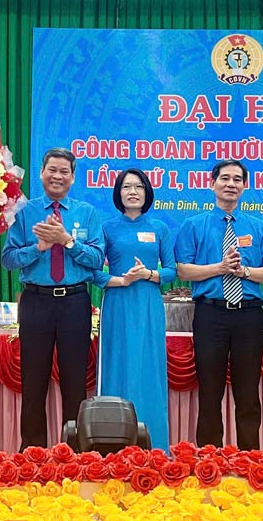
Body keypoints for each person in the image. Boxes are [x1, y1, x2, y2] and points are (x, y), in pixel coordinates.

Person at [1, 148, 104, 449]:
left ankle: (74, 449)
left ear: (73, 178)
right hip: (36, 302)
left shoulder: (87, 213)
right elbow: (8, 259)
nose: (58, 176)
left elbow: (97, 259)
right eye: (52, 170)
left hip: (74, 302)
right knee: (34, 381)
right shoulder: (24, 212)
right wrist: (39, 248)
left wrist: (67, 242)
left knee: (74, 381)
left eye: (64, 172)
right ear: (42, 172)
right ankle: (31, 450)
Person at [174, 159, 263, 450]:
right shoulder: (193, 226)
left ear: (245, 186)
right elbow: (183, 270)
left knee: (247, 392)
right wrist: (220, 268)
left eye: (237, 180)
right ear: (212, 184)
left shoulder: (260, 228)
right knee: (210, 391)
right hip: (210, 314)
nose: (231, 184)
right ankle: (209, 455)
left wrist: (243, 272)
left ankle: (250, 457)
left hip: (249, 316)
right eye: (225, 179)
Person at [91, 169, 176, 451]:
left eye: (139, 186)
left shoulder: (160, 228)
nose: (133, 191)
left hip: (149, 303)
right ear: (118, 193)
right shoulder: (107, 228)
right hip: (117, 303)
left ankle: (154, 444)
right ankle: (111, 442)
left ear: (147, 192)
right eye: (126, 186)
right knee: (117, 364)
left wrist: (149, 274)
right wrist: (122, 280)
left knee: (148, 367)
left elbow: (173, 271)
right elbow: (93, 272)